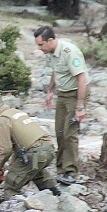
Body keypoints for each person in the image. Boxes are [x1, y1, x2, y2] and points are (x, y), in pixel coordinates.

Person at [34, 25, 91, 185]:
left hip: (76, 93)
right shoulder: (50, 53)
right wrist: (50, 91)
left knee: (69, 133)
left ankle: (71, 172)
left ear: (50, 40)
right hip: (63, 93)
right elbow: (55, 71)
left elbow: (81, 78)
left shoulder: (69, 51)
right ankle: (61, 170)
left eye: (41, 45)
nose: (39, 48)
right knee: (59, 132)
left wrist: (80, 107)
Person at [0, 91, 62, 199]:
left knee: (11, 184)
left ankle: (15, 210)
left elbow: (5, 149)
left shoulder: (1, 121)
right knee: (35, 171)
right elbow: (18, 146)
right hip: (47, 149)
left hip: (35, 153)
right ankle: (57, 196)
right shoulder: (14, 112)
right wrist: (11, 166)